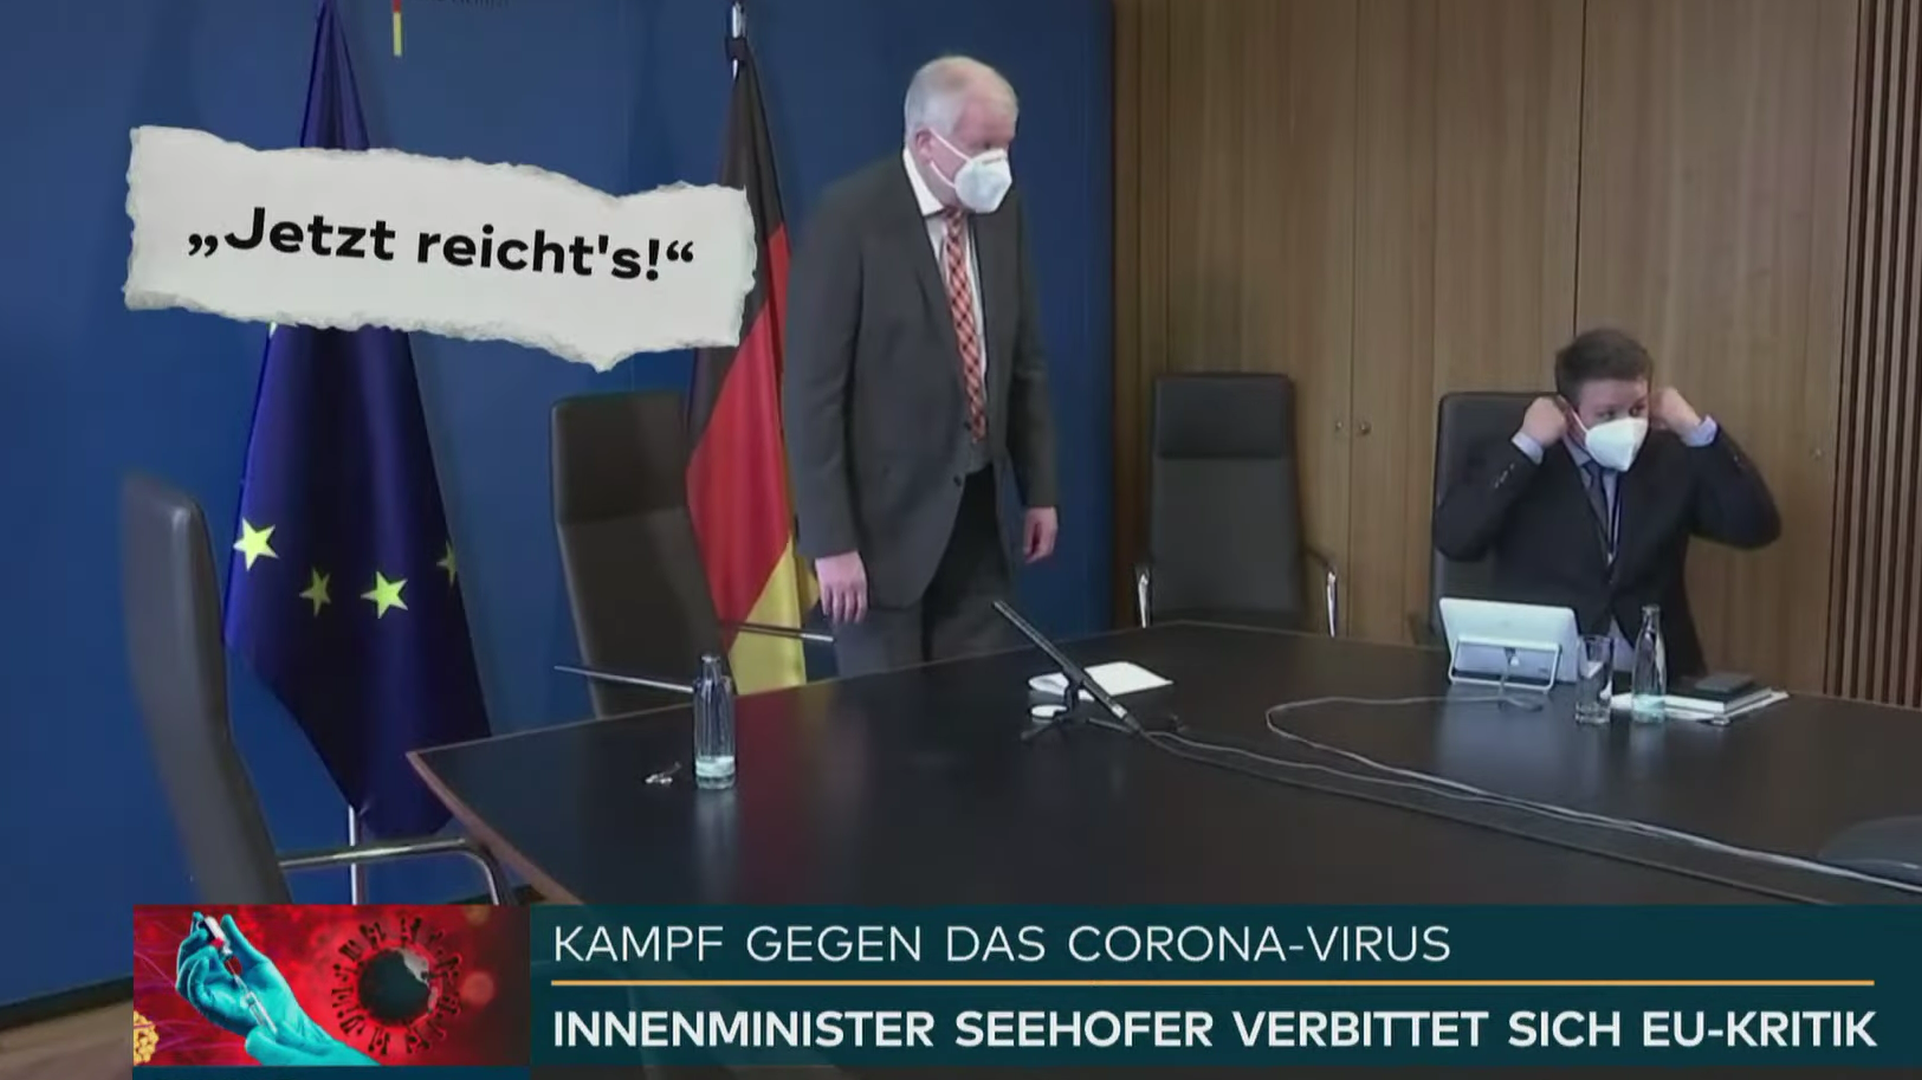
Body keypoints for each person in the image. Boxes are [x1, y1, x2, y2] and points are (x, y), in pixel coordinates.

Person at [783, 55, 1059, 676]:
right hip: (880, 538)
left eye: (1006, 147)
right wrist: (830, 543)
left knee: (977, 711)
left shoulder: (1003, 212)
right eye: (983, 147)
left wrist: (1040, 489)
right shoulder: (849, 219)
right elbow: (811, 396)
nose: (999, 165)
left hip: (977, 524)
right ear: (926, 143)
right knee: (890, 724)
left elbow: (1025, 361)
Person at [1430, 328, 1780, 678]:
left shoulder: (1668, 457)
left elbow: (1756, 527)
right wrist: (1526, 446)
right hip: (1547, 676)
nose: (1627, 425)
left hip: (1655, 681)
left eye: (1637, 409)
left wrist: (1695, 429)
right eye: (1608, 414)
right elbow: (1455, 539)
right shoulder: (1521, 461)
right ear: (1568, 412)